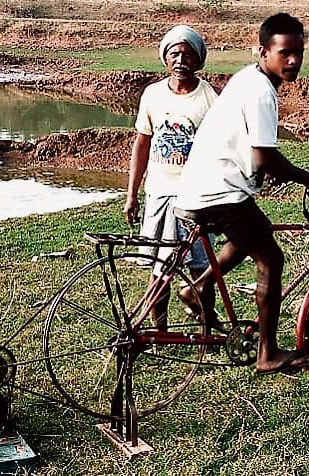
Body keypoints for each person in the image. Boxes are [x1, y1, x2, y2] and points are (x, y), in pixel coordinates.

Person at [175, 13, 309, 375]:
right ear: (264, 52)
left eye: (298, 53)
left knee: (251, 234)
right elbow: (265, 156)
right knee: (271, 259)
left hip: (204, 187)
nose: (293, 60)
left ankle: (198, 287)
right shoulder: (262, 91)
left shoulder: (249, 77)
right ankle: (267, 353)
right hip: (219, 191)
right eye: (284, 53)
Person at [123, 25, 219, 331]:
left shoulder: (209, 98)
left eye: (188, 55)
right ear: (165, 58)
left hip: (197, 197)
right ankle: (160, 330)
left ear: (198, 60)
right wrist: (132, 194)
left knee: (201, 267)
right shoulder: (153, 95)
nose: (180, 61)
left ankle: (207, 329)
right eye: (174, 54)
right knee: (160, 269)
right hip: (160, 194)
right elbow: (142, 144)